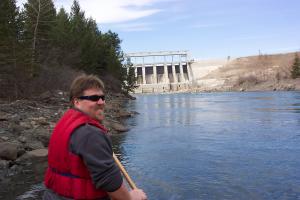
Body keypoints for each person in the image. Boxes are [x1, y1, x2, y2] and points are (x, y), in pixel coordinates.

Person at [43, 74, 147, 200]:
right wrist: (131, 197)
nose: (101, 102)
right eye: (94, 98)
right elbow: (109, 182)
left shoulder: (64, 123)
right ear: (77, 102)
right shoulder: (90, 134)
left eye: (102, 97)